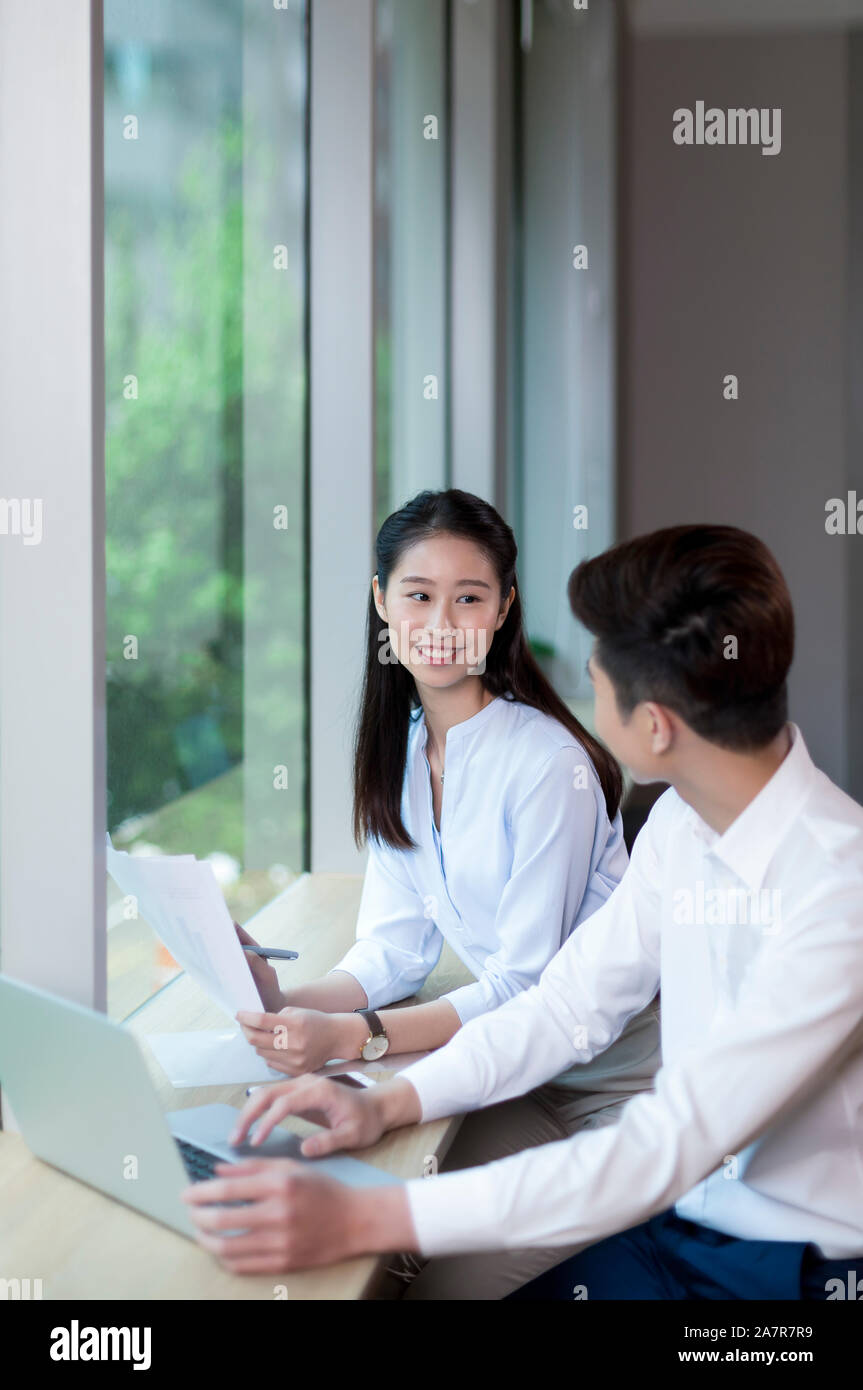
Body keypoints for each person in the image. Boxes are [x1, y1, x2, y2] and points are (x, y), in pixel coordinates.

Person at [184, 524, 863, 1302]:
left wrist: (372, 1215)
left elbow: (666, 1141)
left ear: (654, 726)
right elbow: (566, 1001)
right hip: (680, 1219)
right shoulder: (682, 822)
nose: (584, 687)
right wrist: (386, 1103)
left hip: (787, 1271)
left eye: (597, 674)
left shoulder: (838, 890)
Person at [233, 491, 661, 1274]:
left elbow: (524, 985)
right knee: (379, 1228)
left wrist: (357, 1038)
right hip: (520, 1079)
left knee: (438, 1279)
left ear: (502, 611)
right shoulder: (399, 752)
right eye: (418, 596)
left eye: (469, 598)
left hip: (618, 1099)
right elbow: (392, 950)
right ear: (380, 602)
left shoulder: (546, 766)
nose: (440, 624)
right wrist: (286, 1001)